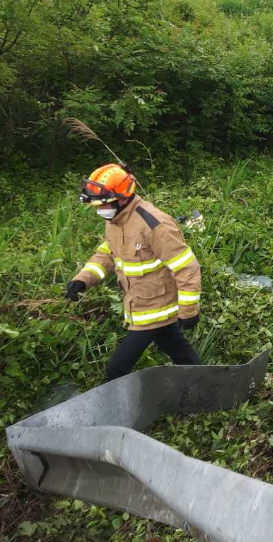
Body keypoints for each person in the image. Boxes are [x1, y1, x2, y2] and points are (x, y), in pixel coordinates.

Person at [65, 164, 202, 382]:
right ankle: (206, 385)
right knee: (182, 356)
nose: (101, 210)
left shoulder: (153, 223)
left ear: (122, 197)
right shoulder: (115, 221)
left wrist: (188, 311)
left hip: (154, 310)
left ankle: (120, 410)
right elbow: (108, 253)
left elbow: (186, 267)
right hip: (139, 305)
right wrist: (83, 280)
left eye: (105, 204)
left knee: (117, 370)